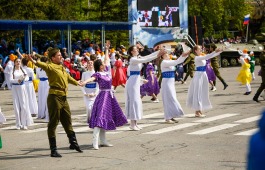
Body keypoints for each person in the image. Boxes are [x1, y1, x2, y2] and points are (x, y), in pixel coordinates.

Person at [29, 48, 83, 157]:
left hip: (64, 97)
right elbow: (43, 65)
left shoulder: (61, 67)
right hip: (54, 97)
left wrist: (77, 83)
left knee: (67, 120)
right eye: (58, 55)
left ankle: (73, 143)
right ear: (53, 58)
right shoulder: (50, 67)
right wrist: (35, 61)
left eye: (60, 55)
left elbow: (67, 77)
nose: (61, 56)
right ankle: (53, 150)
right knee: (53, 123)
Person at [81, 44, 128, 150]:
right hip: (102, 96)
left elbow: (106, 59)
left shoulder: (106, 71)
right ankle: (95, 141)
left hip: (109, 96)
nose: (104, 64)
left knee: (105, 118)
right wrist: (84, 82)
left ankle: (103, 140)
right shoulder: (98, 74)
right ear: (99, 66)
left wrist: (107, 49)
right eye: (102, 63)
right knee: (100, 118)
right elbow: (91, 79)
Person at [125, 45, 165, 130]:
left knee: (137, 101)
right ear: (132, 52)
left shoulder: (137, 57)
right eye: (135, 49)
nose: (137, 50)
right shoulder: (133, 59)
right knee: (134, 101)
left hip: (135, 81)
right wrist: (157, 54)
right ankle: (132, 123)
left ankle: (135, 123)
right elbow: (145, 59)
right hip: (132, 83)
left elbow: (147, 57)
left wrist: (158, 52)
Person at [186, 45, 222, 117]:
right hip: (198, 75)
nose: (201, 50)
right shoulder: (197, 57)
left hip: (203, 75)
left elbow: (210, 56)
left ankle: (199, 110)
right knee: (198, 92)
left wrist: (220, 51)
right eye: (199, 49)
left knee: (202, 92)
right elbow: (207, 57)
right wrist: (215, 51)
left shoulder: (202, 56)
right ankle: (197, 111)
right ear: (195, 51)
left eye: (201, 49)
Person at [160, 50, 189, 123]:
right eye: (165, 54)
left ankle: (171, 115)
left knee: (172, 98)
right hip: (166, 83)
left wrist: (185, 56)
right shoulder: (164, 62)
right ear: (162, 56)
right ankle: (167, 117)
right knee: (168, 99)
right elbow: (176, 62)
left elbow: (176, 64)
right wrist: (183, 55)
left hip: (171, 82)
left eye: (167, 54)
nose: (167, 55)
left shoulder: (169, 62)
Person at [10, 58, 34, 129]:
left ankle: (24, 123)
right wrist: (17, 80)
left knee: (23, 105)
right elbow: (10, 80)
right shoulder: (12, 70)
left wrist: (23, 78)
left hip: (22, 88)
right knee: (16, 106)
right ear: (14, 63)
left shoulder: (23, 70)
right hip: (15, 88)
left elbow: (27, 78)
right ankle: (18, 124)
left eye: (19, 61)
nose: (18, 63)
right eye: (17, 62)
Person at [81, 54, 98, 122]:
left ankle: (93, 120)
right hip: (87, 94)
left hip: (94, 94)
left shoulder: (96, 73)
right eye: (89, 63)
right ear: (87, 65)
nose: (90, 64)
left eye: (91, 63)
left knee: (93, 108)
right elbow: (82, 85)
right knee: (88, 108)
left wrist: (95, 93)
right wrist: (85, 93)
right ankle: (89, 119)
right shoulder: (84, 74)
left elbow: (98, 85)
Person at [36, 56, 49, 121]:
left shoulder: (38, 69)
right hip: (47, 83)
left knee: (41, 98)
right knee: (46, 98)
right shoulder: (47, 68)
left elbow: (37, 77)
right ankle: (46, 113)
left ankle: (41, 113)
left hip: (41, 83)